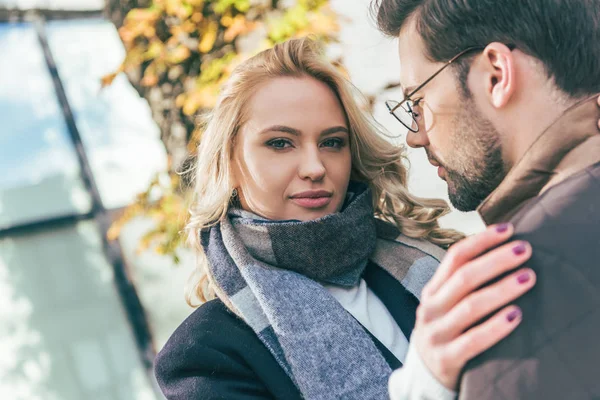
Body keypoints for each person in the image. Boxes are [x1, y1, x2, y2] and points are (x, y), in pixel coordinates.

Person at [153, 38, 538, 400]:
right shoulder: (205, 357)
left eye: (332, 142)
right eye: (280, 143)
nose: (314, 167)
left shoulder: (432, 261)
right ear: (230, 163)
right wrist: (427, 381)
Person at [373, 0, 600, 398]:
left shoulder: (510, 294)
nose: (414, 135)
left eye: (417, 102)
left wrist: (424, 390)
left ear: (496, 74)